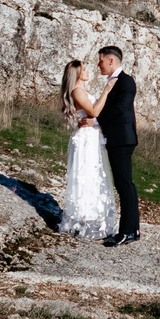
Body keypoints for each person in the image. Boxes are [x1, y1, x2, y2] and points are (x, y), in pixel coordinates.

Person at [56, 59, 119, 240]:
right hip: (85, 139)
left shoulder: (81, 91)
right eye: (84, 69)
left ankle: (90, 218)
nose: (87, 71)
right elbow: (95, 111)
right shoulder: (77, 91)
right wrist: (106, 91)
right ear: (77, 73)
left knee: (93, 175)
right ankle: (83, 218)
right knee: (85, 176)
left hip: (91, 137)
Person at [93, 45, 141, 245]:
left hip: (122, 139)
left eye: (101, 60)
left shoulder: (126, 81)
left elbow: (120, 109)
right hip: (117, 139)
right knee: (124, 184)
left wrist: (95, 120)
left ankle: (127, 231)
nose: (98, 65)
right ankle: (133, 230)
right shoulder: (114, 82)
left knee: (124, 185)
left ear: (111, 61)